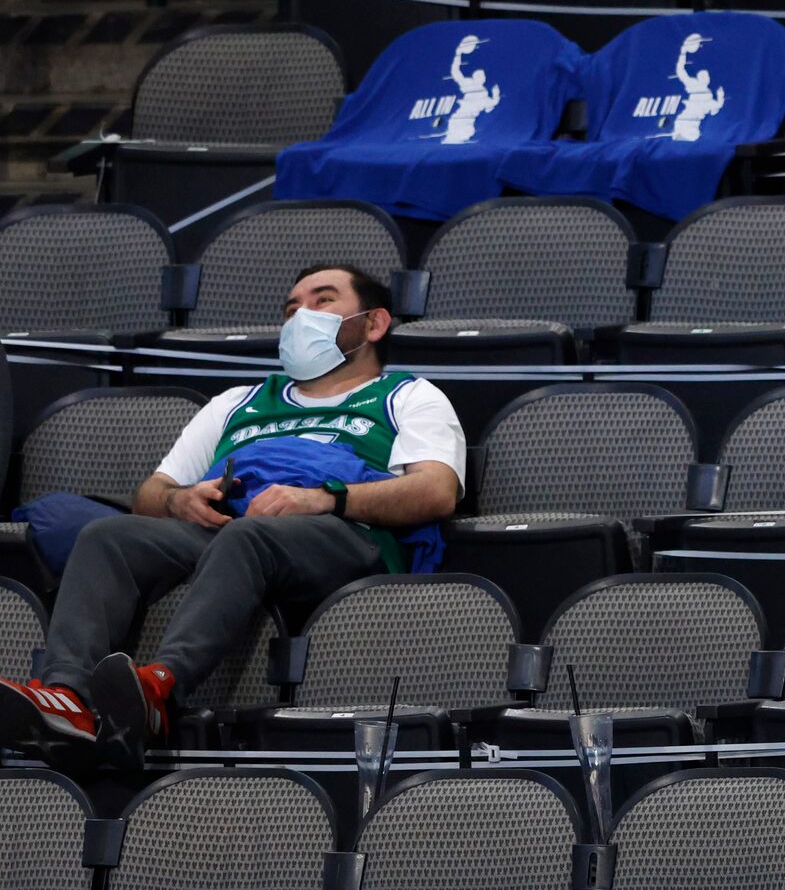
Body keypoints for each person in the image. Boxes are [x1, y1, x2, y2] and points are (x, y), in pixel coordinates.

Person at [0, 263, 464, 769]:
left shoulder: (408, 396)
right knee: (107, 535)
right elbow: (153, 491)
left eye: (322, 301)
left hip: (347, 534)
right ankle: (66, 697)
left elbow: (437, 491)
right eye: (291, 308)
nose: (300, 317)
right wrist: (180, 502)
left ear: (373, 324)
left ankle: (161, 687)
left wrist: (326, 498)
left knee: (249, 536)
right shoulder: (237, 402)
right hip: (232, 531)